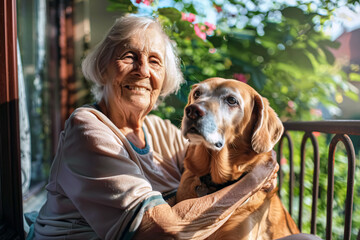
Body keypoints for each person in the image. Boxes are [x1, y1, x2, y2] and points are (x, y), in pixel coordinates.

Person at [33, 15, 320, 240]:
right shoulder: (89, 128)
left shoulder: (158, 129)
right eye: (129, 56)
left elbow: (223, 156)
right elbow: (161, 231)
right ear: (104, 67)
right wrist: (250, 183)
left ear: (164, 78)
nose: (143, 70)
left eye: (154, 61)